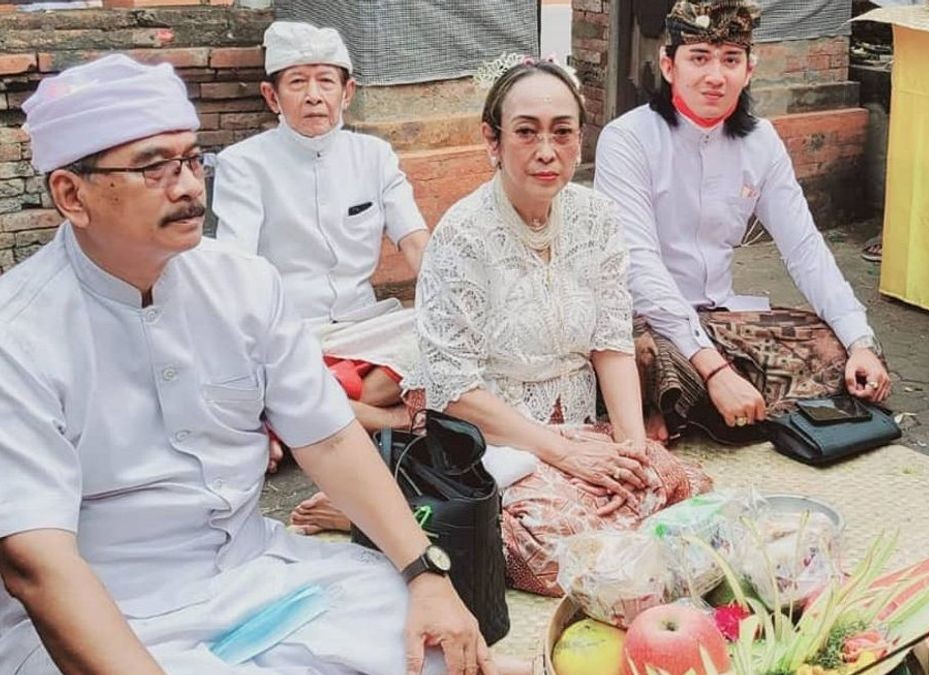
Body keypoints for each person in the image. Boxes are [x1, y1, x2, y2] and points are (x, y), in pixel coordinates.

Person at [0, 54, 494, 675]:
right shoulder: (16, 337)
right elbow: (37, 563)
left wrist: (427, 576)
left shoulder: (244, 284)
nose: (185, 186)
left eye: (188, 159)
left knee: (441, 652)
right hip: (112, 613)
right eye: (153, 167)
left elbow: (332, 440)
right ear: (72, 194)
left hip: (259, 579)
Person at [405, 57, 711, 596]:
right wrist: (565, 454)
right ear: (493, 140)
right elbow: (454, 391)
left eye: (562, 132)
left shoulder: (597, 217)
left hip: (579, 424)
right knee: (554, 545)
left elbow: (612, 342)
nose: (546, 152)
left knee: (680, 488)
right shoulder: (462, 235)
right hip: (494, 434)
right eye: (526, 132)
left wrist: (632, 448)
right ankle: (397, 518)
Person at [593, 0, 891, 445]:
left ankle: (687, 412)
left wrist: (861, 340)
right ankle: (698, 403)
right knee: (641, 358)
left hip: (724, 321)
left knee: (833, 350)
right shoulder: (627, 139)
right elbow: (639, 269)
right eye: (699, 57)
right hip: (648, 321)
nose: (716, 76)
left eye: (730, 59)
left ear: (749, 69)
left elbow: (805, 248)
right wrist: (714, 369)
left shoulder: (762, 142)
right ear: (668, 65)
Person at [213, 21, 429, 531]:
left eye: (326, 81)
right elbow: (235, 265)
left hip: (367, 328)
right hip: (290, 331)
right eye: (298, 82)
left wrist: (452, 302)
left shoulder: (373, 156)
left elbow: (416, 240)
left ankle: (290, 419)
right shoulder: (244, 165)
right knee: (266, 366)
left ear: (347, 92)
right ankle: (391, 420)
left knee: (429, 337)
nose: (314, 96)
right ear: (272, 95)